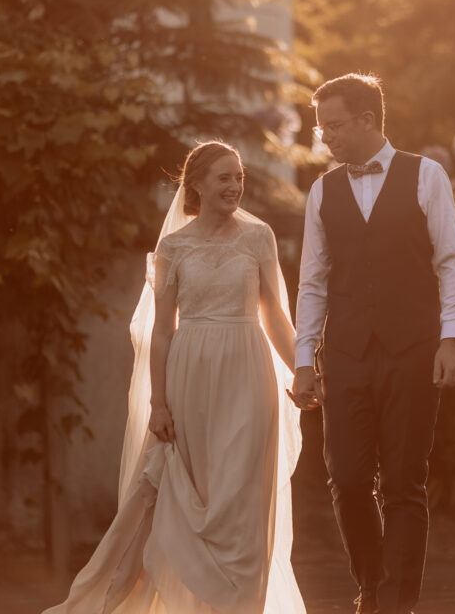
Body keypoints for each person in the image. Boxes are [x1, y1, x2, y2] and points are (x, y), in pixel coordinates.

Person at [44, 141, 306, 614]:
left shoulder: (259, 237)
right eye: (223, 177)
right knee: (190, 497)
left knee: (243, 502)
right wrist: (159, 403)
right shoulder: (173, 247)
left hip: (248, 376)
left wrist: (304, 370)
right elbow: (161, 332)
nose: (234, 186)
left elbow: (277, 320)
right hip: (189, 379)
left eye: (239, 177)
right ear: (197, 184)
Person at [290, 74, 455, 614]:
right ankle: (372, 582)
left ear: (368, 120)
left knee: (402, 483)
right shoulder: (321, 191)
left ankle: (393, 605)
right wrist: (304, 359)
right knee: (346, 478)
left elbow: (452, 262)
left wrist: (452, 338)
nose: (325, 138)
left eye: (334, 126)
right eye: (321, 128)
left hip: (413, 349)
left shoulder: (427, 175)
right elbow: (312, 281)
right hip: (344, 353)